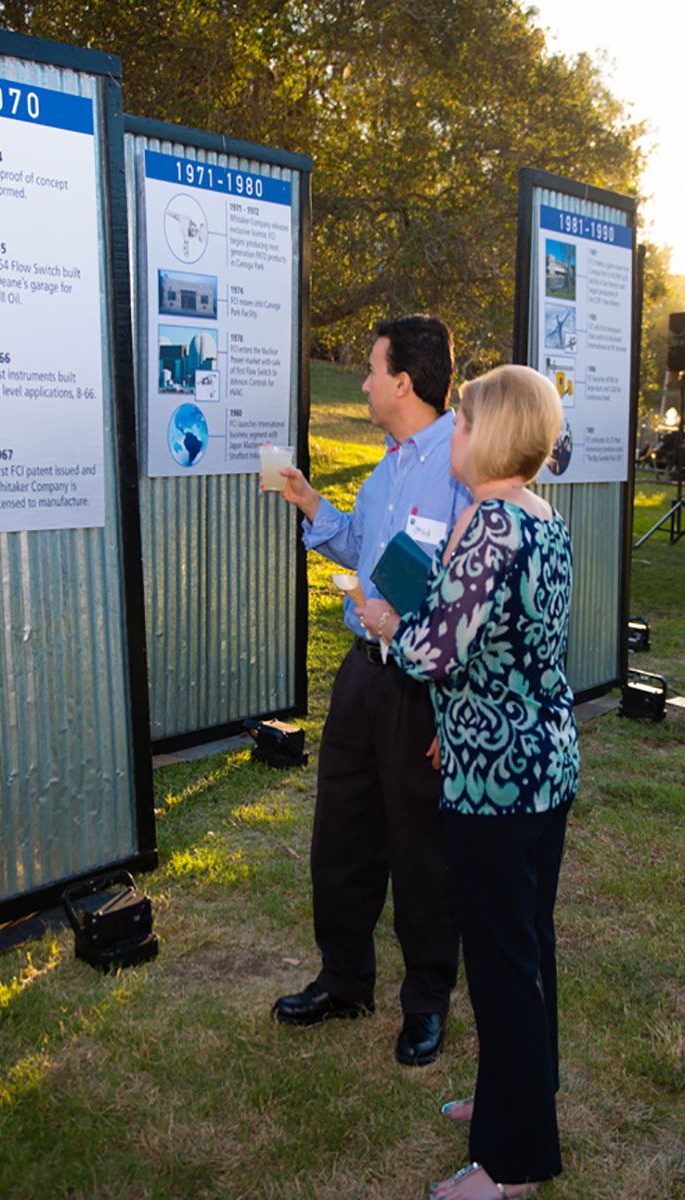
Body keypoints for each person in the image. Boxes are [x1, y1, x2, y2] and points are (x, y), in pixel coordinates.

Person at [357, 364, 578, 1199]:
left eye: (459, 424)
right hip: (542, 761)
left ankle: (512, 1163)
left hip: (499, 784)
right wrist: (457, 726)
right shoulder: (540, 515)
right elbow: (513, 649)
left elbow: (430, 652)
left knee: (499, 960)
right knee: (529, 949)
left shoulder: (488, 525)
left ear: (489, 434)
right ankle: (523, 1092)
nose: (450, 434)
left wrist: (386, 623)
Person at [269, 314, 470, 1067]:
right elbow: (365, 545)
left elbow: (464, 591)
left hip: (423, 683)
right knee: (343, 832)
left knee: (421, 850)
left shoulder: (460, 461)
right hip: (363, 673)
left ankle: (426, 1004)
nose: (362, 381)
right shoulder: (390, 466)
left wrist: (449, 704)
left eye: (372, 369)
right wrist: (311, 503)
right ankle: (345, 980)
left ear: (404, 382)